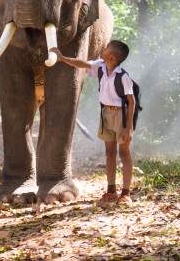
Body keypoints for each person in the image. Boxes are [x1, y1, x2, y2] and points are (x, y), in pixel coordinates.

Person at [52, 40, 136, 206]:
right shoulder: (101, 67)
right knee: (109, 153)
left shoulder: (123, 76)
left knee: (124, 153)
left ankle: (126, 193)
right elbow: (82, 63)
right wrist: (62, 58)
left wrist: (128, 127)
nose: (103, 49)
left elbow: (131, 102)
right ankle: (111, 191)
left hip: (122, 115)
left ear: (111, 57)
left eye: (106, 48)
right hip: (106, 113)